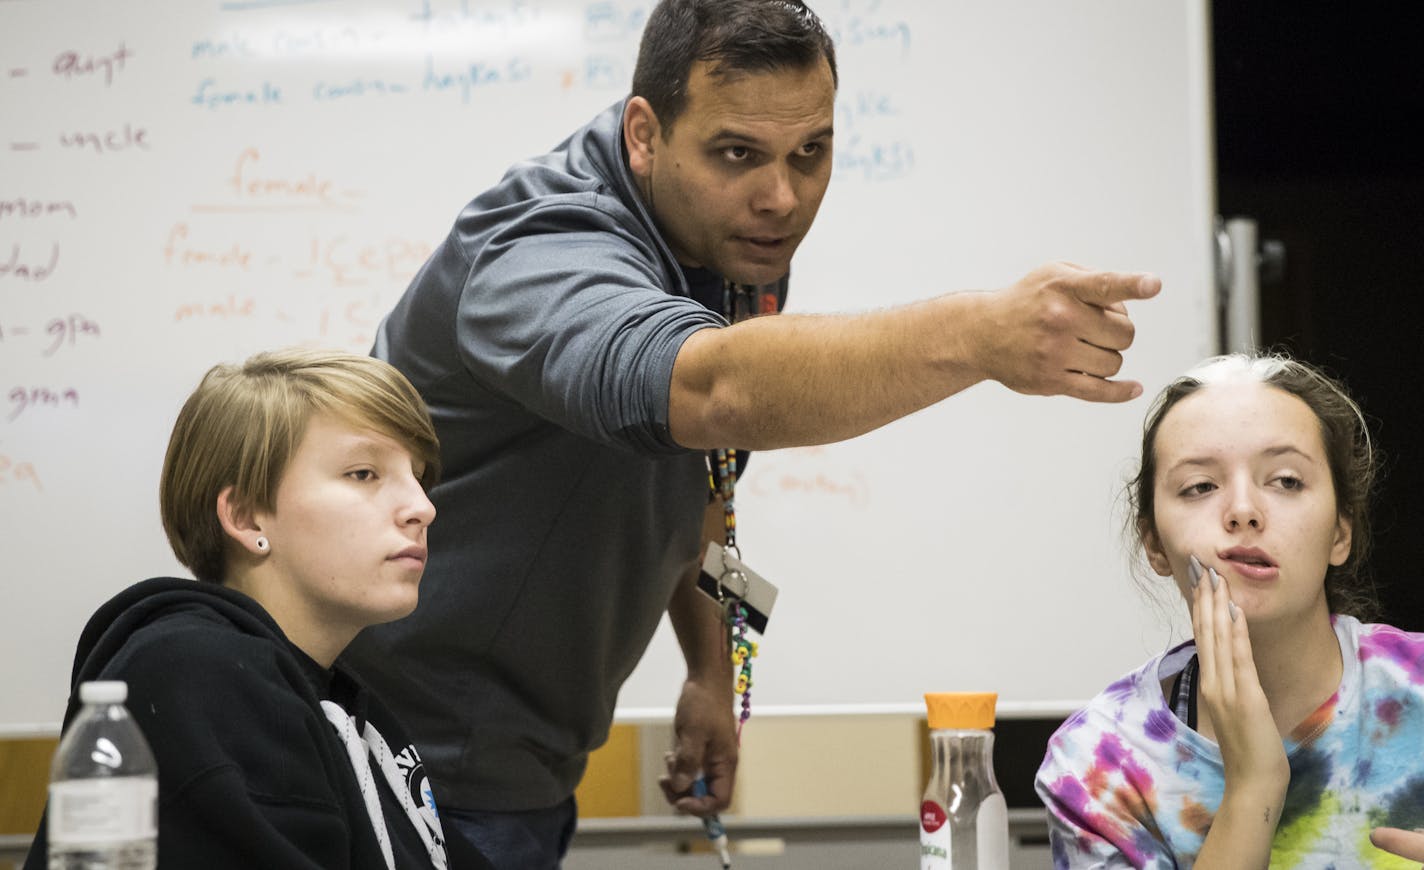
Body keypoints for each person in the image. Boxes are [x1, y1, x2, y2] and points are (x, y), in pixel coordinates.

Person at [345, 0, 1160, 864]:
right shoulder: (541, 247)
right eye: (738, 154)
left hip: (527, 765)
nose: (781, 198)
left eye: (811, 153)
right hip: (413, 761)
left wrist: (712, 671)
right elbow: (714, 392)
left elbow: (707, 484)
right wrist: (978, 336)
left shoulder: (725, 244)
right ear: (645, 134)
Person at [25, 348, 491, 870]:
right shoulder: (196, 675)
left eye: (418, 476)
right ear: (247, 518)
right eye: (364, 473)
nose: (423, 508)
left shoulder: (347, 705)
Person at [1035, 353, 1424, 868]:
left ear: (1340, 532)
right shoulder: (1097, 768)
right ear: (1154, 543)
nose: (1243, 510)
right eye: (1200, 486)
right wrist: (1253, 787)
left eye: (1286, 480)